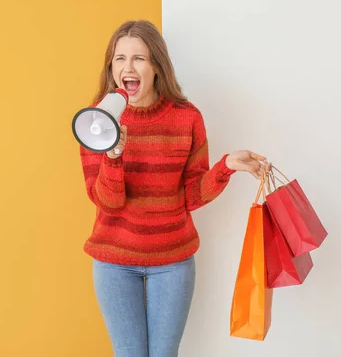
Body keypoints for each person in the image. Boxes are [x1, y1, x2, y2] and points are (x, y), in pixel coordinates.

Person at [78, 20, 268, 357]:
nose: (128, 67)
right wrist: (114, 155)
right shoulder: (97, 122)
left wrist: (226, 166)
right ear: (111, 68)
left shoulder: (186, 118)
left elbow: (192, 195)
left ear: (156, 67)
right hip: (115, 262)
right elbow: (107, 201)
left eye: (139, 58)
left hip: (173, 261)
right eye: (119, 59)